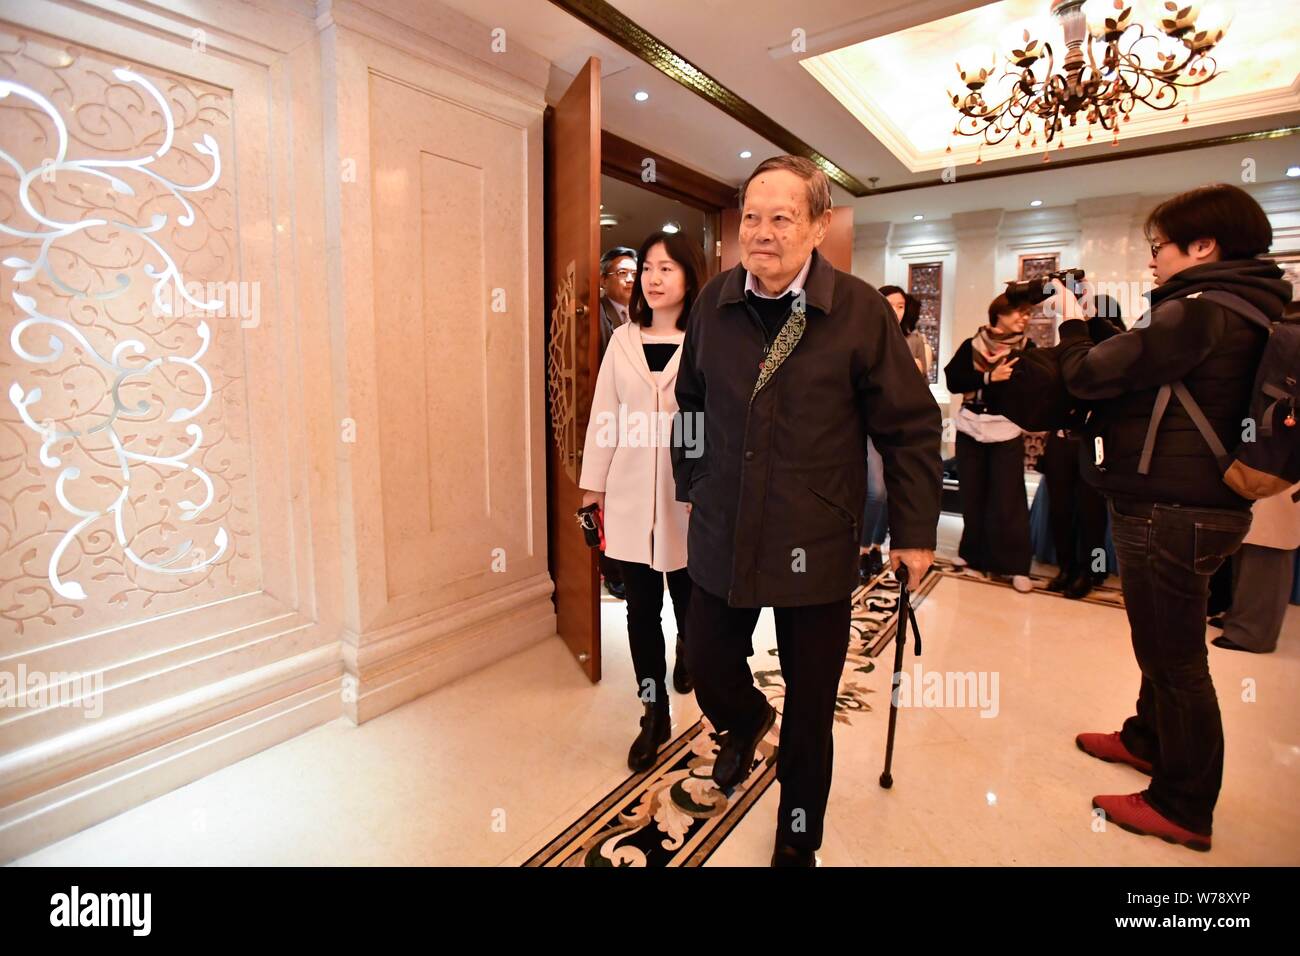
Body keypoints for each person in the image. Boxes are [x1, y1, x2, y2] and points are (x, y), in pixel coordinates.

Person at [672, 155, 941, 867]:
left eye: (781, 218)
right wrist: (692, 478)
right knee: (706, 664)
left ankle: (798, 837)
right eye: (751, 218)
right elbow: (691, 399)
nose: (761, 233)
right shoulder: (715, 303)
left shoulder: (855, 311)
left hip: (814, 538)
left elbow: (909, 427)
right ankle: (743, 719)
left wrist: (914, 532)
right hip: (722, 528)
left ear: (819, 226)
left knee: (812, 704)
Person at [1057, 183, 1290, 851]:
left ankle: (1184, 805)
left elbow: (1093, 374)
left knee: (1176, 659)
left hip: (1173, 507)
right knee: (1161, 646)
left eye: (1157, 248)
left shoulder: (1197, 311)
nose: (1153, 260)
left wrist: (1075, 328)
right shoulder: (1249, 307)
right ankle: (1148, 739)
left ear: (1203, 245)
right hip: (1201, 504)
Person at [580, 232, 706, 772]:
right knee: (639, 611)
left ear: (688, 279)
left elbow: (704, 417)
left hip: (684, 502)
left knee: (690, 603)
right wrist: (594, 489)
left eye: (667, 269)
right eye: (648, 269)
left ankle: (688, 652)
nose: (653, 279)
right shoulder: (623, 341)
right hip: (631, 496)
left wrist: (700, 486)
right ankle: (653, 712)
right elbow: (604, 415)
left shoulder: (704, 341)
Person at [943, 294, 1036, 592]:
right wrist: (987, 377)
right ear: (999, 313)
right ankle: (972, 555)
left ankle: (1015, 565)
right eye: (1018, 313)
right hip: (971, 427)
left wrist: (994, 382)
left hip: (1005, 428)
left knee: (1008, 499)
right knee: (973, 493)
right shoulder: (973, 344)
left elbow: (1027, 388)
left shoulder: (1027, 350)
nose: (1025, 318)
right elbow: (954, 380)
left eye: (1027, 314)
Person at [1038, 293, 1124, 599]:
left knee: (1092, 514)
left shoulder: (1116, 353)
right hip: (1061, 440)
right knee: (1060, 509)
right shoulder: (1067, 348)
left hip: (1094, 443)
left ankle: (1092, 571)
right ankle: (1067, 568)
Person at [860, 286, 932, 578]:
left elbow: (919, 391)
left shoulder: (916, 341)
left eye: (901, 305)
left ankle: (877, 545)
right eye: (889, 304)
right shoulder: (866, 336)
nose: (895, 310)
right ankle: (862, 549)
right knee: (875, 491)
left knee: (890, 493)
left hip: (900, 426)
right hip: (870, 425)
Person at [596, 246, 639, 600]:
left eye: (633, 273)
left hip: (641, 427)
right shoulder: (596, 316)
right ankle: (614, 571)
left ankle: (638, 562)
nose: (630, 279)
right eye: (622, 273)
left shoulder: (646, 316)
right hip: (608, 421)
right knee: (608, 498)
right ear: (603, 280)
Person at [1214, 484, 1300, 653]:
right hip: (1265, 483)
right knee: (1248, 553)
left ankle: (1253, 634)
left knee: (1269, 552)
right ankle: (1240, 619)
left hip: (1283, 484)